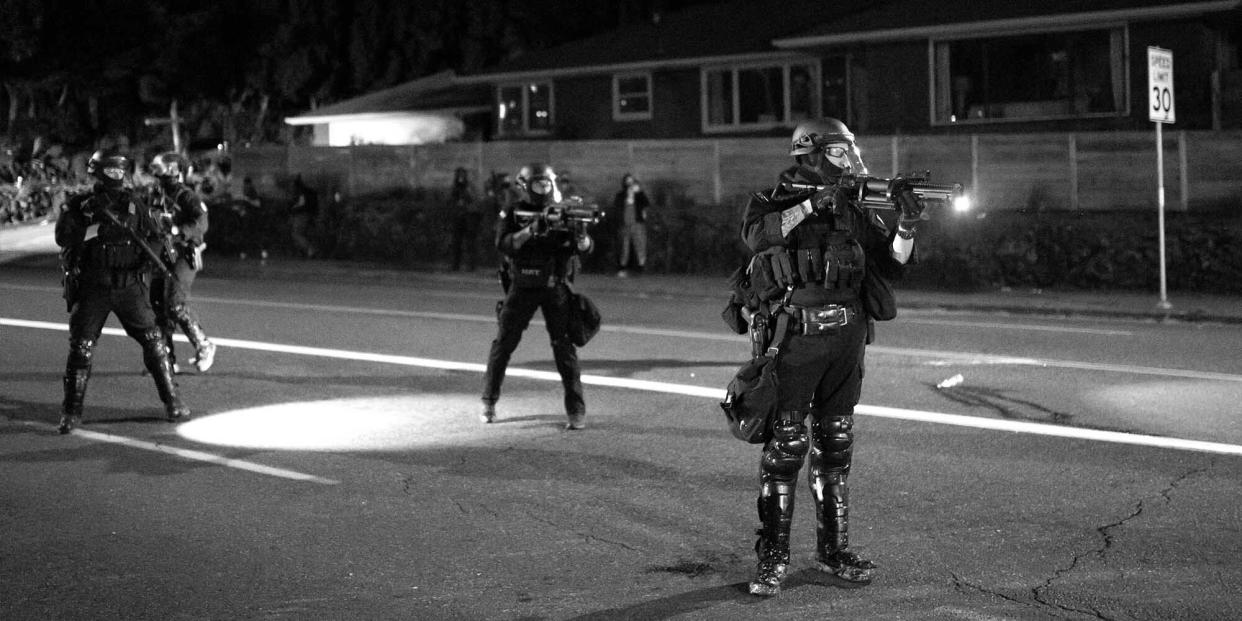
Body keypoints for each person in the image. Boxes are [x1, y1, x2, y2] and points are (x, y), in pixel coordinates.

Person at [739, 118, 920, 596]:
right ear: (812, 154)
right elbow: (758, 238)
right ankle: (773, 557)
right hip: (796, 337)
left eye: (850, 151)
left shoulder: (855, 205)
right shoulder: (772, 199)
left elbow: (894, 264)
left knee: (836, 444)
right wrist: (813, 203)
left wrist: (906, 224)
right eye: (839, 152)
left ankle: (833, 550)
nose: (849, 160)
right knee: (786, 449)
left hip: (849, 335)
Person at [54, 149, 190, 433]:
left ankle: (173, 402)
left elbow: (155, 239)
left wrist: (146, 261)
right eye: (110, 169)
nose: (116, 175)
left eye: (120, 170)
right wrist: (95, 230)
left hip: (129, 285)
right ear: (98, 171)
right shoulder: (82, 205)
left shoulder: (134, 204)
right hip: (95, 286)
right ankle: (71, 412)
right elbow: (63, 237)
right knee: (81, 348)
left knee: (155, 343)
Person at [481, 163, 593, 430]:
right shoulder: (513, 213)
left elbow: (586, 248)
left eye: (546, 184)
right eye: (537, 184)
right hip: (523, 285)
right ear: (524, 186)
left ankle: (576, 411)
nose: (543, 189)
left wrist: (581, 238)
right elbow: (504, 244)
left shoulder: (564, 212)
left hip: (554, 286)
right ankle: (489, 401)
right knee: (504, 344)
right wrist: (532, 228)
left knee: (564, 348)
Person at [147, 151, 216, 373]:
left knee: (175, 303)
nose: (158, 174)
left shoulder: (186, 196)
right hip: (164, 251)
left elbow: (201, 222)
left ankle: (204, 345)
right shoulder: (156, 195)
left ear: (175, 171)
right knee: (157, 304)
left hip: (185, 252)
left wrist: (179, 230)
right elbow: (150, 220)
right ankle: (166, 359)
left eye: (163, 169)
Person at [613, 173, 651, 277]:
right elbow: (617, 208)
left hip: (637, 224)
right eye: (628, 182)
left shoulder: (638, 196)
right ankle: (622, 268)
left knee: (640, 246)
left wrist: (639, 193)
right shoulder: (621, 196)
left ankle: (640, 268)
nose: (630, 185)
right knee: (624, 248)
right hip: (625, 225)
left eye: (632, 182)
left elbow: (646, 203)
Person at [448, 167, 482, 271]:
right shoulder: (455, 188)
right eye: (459, 175)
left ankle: (471, 265)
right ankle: (455, 265)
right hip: (458, 217)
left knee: (470, 243)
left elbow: (473, 199)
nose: (461, 178)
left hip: (468, 217)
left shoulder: (469, 187)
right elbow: (451, 200)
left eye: (463, 175)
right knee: (456, 243)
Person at [290, 174, 318, 258]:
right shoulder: (310, 191)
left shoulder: (302, 192)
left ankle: (310, 250)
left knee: (297, 234)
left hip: (302, 214)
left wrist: (293, 208)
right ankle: (304, 251)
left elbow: (302, 204)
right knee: (301, 234)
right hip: (309, 214)